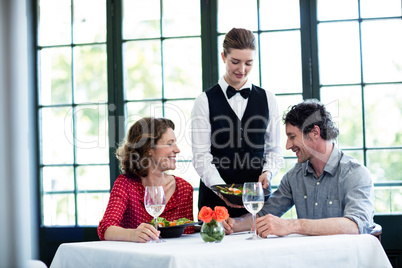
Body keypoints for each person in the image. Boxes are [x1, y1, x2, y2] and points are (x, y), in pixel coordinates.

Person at [224, 99, 375, 237]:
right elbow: (262, 214)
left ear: (315, 133)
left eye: (292, 137)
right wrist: (233, 224)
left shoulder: (355, 173)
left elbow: (355, 225)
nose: (288, 146)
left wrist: (293, 225)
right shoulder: (294, 176)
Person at [191, 27, 283, 217]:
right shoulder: (204, 101)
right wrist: (222, 189)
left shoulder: (269, 99)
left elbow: (274, 150)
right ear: (223, 56)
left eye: (249, 63)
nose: (242, 69)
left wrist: (269, 172)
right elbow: (201, 156)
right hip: (215, 202)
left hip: (257, 201)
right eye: (235, 62)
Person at [97, 117, 194, 243]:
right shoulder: (125, 185)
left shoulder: (184, 188)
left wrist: (214, 225)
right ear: (149, 148)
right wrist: (132, 234)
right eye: (170, 143)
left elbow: (189, 234)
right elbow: (105, 229)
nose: (177, 149)